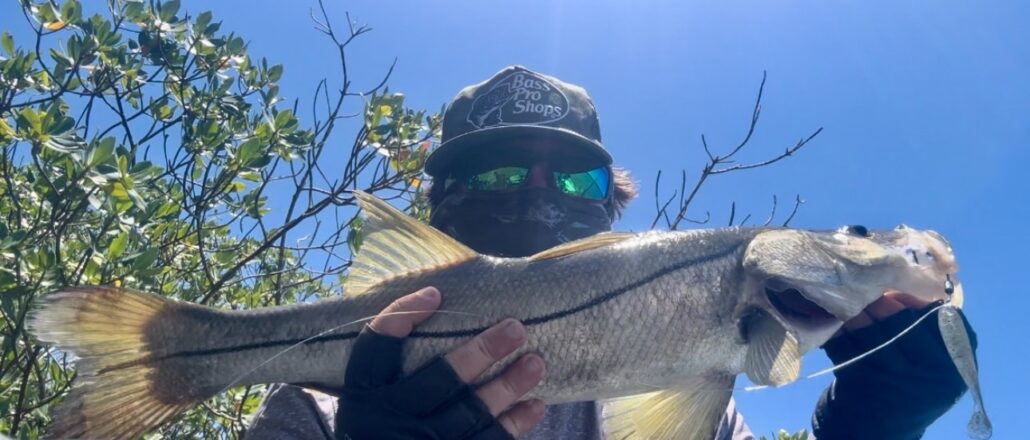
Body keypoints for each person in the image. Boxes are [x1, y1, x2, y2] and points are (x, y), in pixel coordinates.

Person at [247, 66, 976, 440]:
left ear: (612, 202)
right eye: (497, 173)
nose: (537, 196)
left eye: (574, 177)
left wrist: (870, 428)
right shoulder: (325, 400)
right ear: (439, 206)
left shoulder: (687, 395)